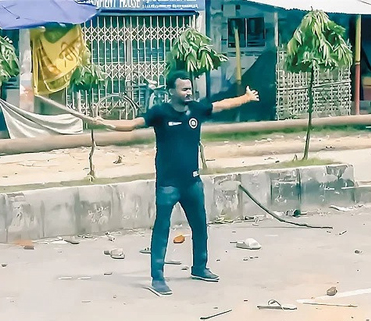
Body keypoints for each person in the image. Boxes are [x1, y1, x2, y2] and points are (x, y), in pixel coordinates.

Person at [92, 70, 259, 295]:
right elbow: (133, 123)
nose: (188, 92)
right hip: (168, 185)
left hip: (192, 182)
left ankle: (200, 267)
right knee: (162, 228)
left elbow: (222, 105)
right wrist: (108, 124)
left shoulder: (197, 109)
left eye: (189, 88)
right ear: (172, 91)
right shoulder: (160, 113)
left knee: (200, 226)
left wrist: (245, 98)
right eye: (184, 89)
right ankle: (157, 277)